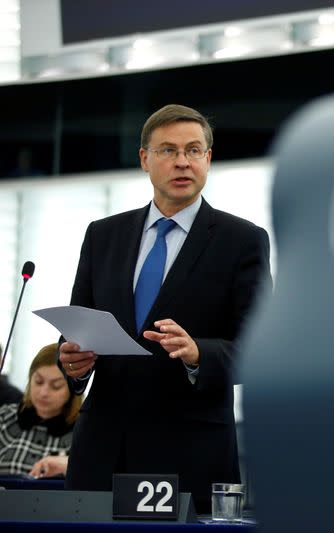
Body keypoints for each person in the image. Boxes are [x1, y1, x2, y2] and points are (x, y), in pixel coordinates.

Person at [58, 104, 272, 513]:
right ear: (144, 159)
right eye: (168, 150)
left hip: (188, 452)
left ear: (208, 159)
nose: (182, 162)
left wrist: (198, 355)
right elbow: (79, 325)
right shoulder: (103, 235)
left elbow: (260, 350)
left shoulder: (241, 241)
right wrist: (73, 360)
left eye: (194, 150)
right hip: (102, 452)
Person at [0, 343, 80, 477]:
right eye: (38, 381)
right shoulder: (4, 417)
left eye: (56, 386)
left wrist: (69, 466)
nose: (44, 393)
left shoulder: (83, 433)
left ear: (72, 391)